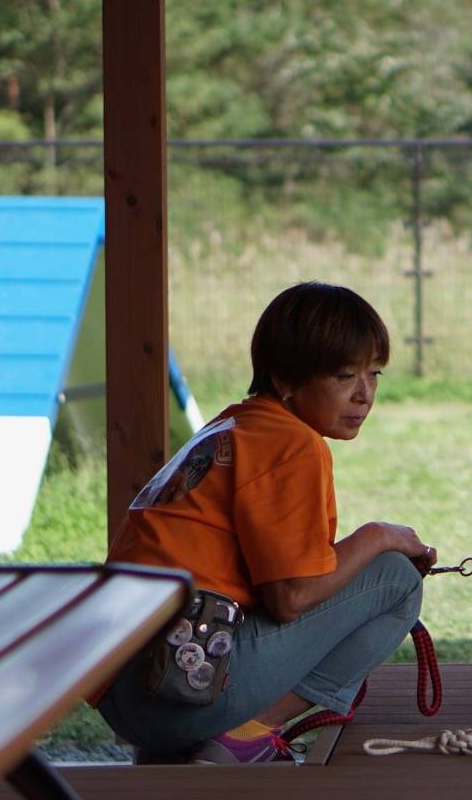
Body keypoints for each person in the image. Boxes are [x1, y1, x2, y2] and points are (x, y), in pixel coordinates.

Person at [96, 282, 436, 764]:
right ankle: (244, 737)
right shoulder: (292, 443)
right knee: (397, 580)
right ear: (285, 380)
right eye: (344, 376)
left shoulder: (232, 428)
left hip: (131, 689)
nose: (365, 395)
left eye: (374, 374)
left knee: (373, 568)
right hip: (178, 688)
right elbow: (291, 596)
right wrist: (380, 536)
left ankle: (193, 745)